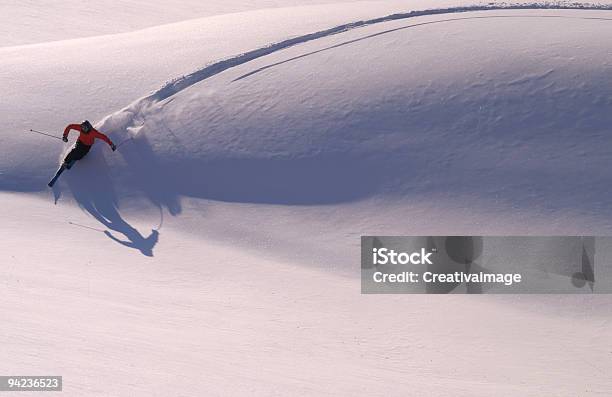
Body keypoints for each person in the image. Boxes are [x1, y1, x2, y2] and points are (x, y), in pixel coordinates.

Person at [48, 120, 116, 187]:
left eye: (85, 128)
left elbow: (104, 137)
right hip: (80, 142)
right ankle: (66, 162)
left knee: (80, 156)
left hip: (87, 146)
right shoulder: (80, 127)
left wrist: (111, 144)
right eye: (83, 127)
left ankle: (75, 158)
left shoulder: (93, 132)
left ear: (89, 127)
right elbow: (70, 126)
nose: (83, 129)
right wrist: (65, 136)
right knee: (74, 151)